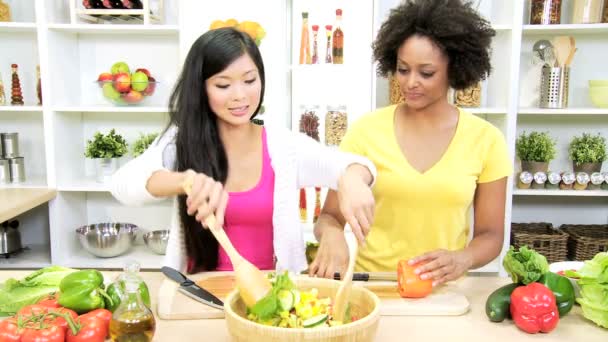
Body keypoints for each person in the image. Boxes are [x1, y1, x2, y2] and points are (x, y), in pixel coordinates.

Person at [110, 28, 376, 274]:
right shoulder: (181, 141)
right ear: (201, 88)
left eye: (250, 80)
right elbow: (123, 185)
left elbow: (354, 166)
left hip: (273, 301)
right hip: (200, 294)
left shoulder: (283, 147)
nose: (240, 96)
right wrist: (185, 180)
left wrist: (350, 182)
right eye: (223, 85)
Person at [310, 0, 512, 286]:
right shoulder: (366, 131)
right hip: (373, 286)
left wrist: (463, 258)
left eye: (426, 73)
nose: (410, 83)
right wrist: (331, 236)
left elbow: (491, 235)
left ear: (454, 69)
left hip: (443, 290)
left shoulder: (486, 140)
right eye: (403, 69)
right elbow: (329, 217)